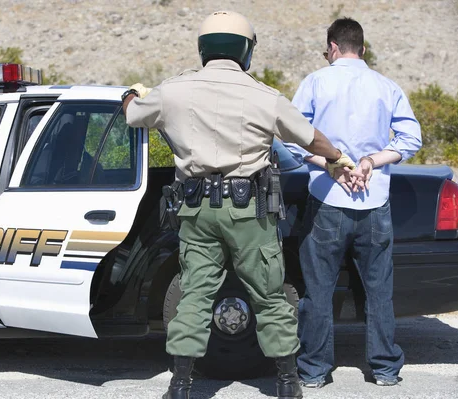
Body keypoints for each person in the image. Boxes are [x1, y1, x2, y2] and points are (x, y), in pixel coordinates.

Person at [121, 10, 357, 399]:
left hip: (196, 211)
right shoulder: (263, 95)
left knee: (195, 294)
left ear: (203, 49)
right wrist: (336, 157)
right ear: (246, 51)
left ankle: (180, 386)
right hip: (250, 212)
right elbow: (309, 139)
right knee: (268, 294)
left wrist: (132, 92)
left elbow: (132, 115)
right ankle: (286, 383)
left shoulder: (173, 90)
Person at [284, 17, 422, 388]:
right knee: (379, 291)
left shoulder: (315, 81)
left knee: (318, 291)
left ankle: (313, 371)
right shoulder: (386, 86)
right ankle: (385, 369)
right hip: (375, 201)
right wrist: (370, 162)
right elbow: (411, 138)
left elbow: (292, 139)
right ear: (361, 48)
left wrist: (330, 165)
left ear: (332, 47)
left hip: (326, 199)